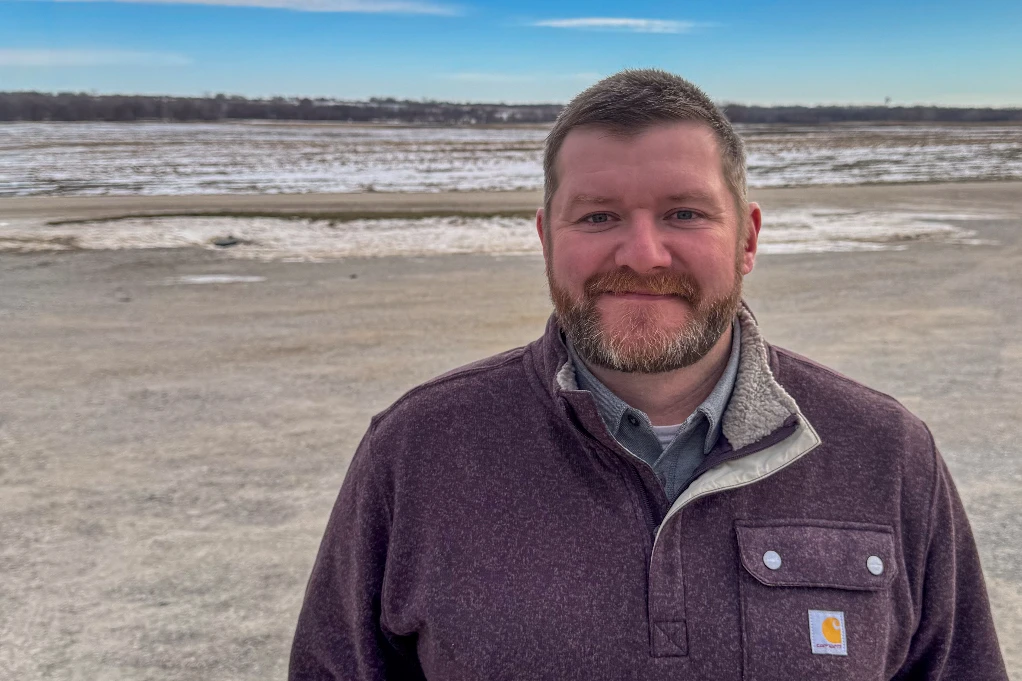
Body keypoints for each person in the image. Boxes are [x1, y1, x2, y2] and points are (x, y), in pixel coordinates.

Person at [289, 69, 1006, 680]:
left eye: (684, 213)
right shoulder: (418, 449)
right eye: (598, 216)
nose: (643, 254)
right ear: (546, 239)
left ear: (748, 236)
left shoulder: (885, 452)